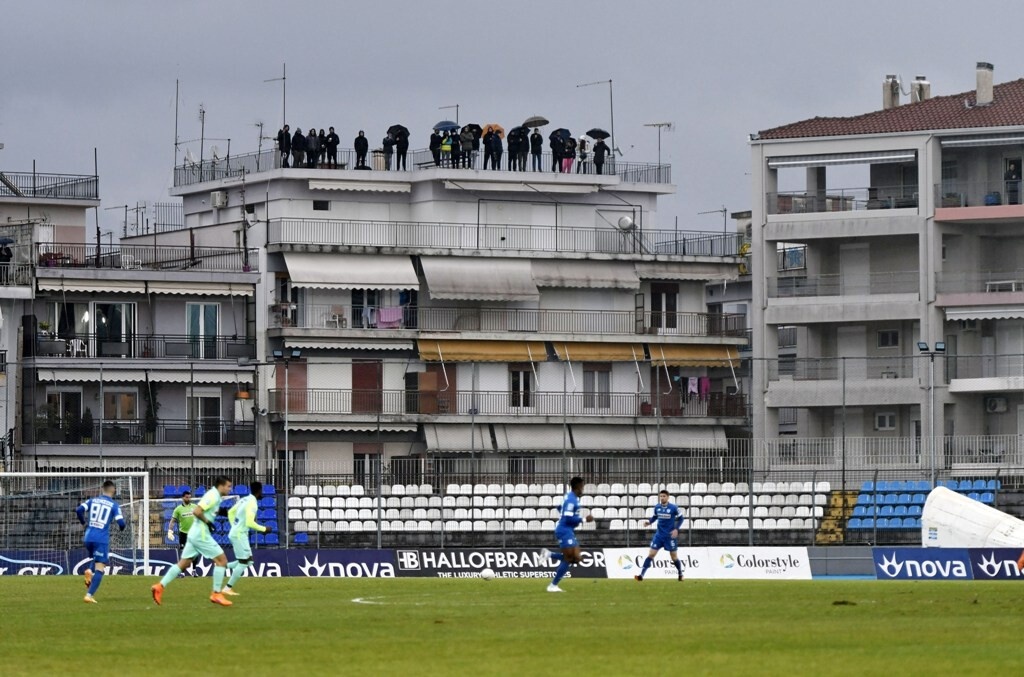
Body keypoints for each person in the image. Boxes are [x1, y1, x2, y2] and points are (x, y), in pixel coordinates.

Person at [151, 476, 235, 607]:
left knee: (183, 564)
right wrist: (208, 522)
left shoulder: (215, 496)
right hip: (201, 534)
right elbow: (197, 511)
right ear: (221, 486)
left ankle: (159, 586)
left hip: (193, 534)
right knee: (222, 561)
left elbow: (210, 509)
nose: (230, 489)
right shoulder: (212, 495)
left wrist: (223, 512)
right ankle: (216, 593)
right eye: (229, 486)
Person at [76, 480, 127, 603]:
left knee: (97, 558)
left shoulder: (92, 500)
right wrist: (121, 528)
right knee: (100, 568)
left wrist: (84, 523)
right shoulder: (114, 505)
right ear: (113, 490)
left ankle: (89, 570)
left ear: (102, 489)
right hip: (101, 538)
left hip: (88, 537)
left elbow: (79, 510)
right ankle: (89, 595)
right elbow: (121, 523)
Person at [542, 476, 593, 592]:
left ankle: (548, 555)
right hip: (564, 530)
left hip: (566, 529)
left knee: (574, 558)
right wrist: (584, 520)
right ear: (578, 487)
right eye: (582, 487)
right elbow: (569, 519)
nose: (583, 490)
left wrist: (563, 517)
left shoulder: (568, 497)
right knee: (570, 558)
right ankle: (552, 585)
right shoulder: (571, 500)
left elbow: (559, 507)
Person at [223, 481, 272, 596]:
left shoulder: (244, 499)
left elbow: (230, 512)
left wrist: (234, 526)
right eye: (261, 491)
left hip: (239, 533)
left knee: (248, 561)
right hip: (240, 535)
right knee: (244, 563)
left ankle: (223, 566)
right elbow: (250, 522)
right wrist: (264, 529)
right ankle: (227, 588)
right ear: (259, 491)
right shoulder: (252, 503)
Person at [633, 490, 686, 582]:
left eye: (664, 496)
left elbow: (681, 518)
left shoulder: (674, 508)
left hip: (669, 537)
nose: (662, 498)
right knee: (651, 554)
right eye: (661, 496)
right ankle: (641, 575)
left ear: (668, 497)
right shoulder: (657, 507)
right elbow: (655, 517)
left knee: (674, 557)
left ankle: (680, 574)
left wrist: (676, 529)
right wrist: (649, 522)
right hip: (659, 536)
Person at [167, 490, 195, 576]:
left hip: (194, 533)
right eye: (187, 497)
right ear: (183, 498)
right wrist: (170, 531)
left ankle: (194, 570)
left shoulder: (195, 506)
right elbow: (172, 521)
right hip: (183, 533)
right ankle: (182, 571)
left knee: (195, 552)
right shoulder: (178, 509)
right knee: (183, 553)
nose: (188, 499)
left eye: (189, 497)